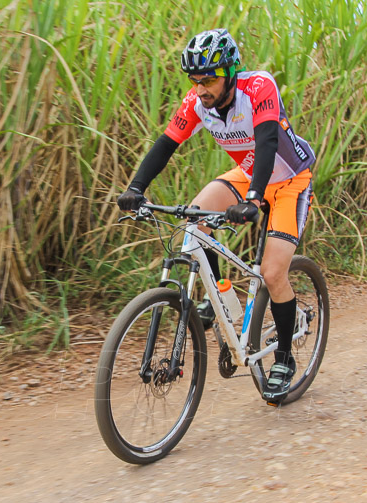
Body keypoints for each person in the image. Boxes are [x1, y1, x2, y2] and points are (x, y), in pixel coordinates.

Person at [117, 28, 317, 403]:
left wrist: (254, 199)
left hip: (289, 179)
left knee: (273, 273)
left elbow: (268, 141)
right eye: (194, 80)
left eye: (208, 79)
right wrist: (136, 188)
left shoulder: (258, 87)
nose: (200, 88)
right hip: (248, 173)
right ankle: (219, 295)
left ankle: (285, 359)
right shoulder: (197, 103)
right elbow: (166, 144)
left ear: (230, 71)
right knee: (196, 219)